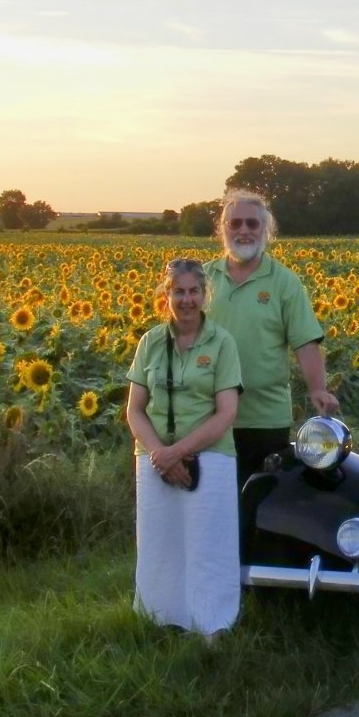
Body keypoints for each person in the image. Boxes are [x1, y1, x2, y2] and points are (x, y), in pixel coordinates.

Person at [204, 189, 338, 560]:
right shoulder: (204, 278)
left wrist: (317, 390)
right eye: (236, 223)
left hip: (264, 419)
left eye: (253, 223)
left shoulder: (283, 282)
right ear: (223, 229)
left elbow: (305, 342)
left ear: (267, 230)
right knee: (212, 507)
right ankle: (214, 586)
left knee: (258, 508)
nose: (244, 230)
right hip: (208, 418)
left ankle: (256, 587)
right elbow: (182, 339)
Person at [126, 258, 243, 640]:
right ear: (166, 295)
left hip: (209, 456)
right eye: (179, 291)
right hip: (153, 459)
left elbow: (226, 413)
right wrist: (161, 454)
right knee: (160, 545)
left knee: (207, 545)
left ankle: (212, 626)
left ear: (205, 295)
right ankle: (160, 622)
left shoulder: (221, 342)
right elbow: (135, 409)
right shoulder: (150, 342)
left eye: (194, 291)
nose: (187, 300)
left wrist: (178, 453)